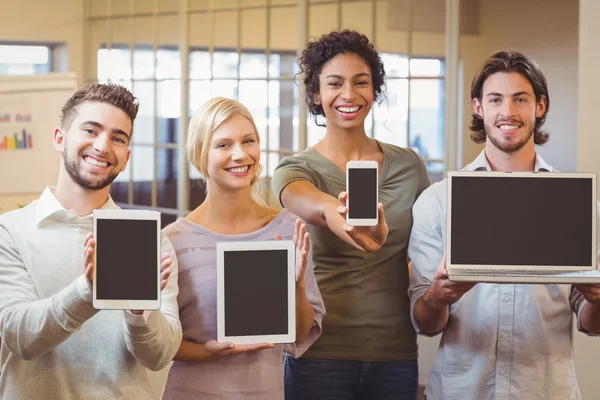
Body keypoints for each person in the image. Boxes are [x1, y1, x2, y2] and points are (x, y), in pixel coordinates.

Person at [408, 50, 600, 400]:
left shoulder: (580, 206)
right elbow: (424, 323)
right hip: (460, 390)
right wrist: (436, 297)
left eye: (520, 99)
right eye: (495, 99)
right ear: (478, 107)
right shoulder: (437, 202)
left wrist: (599, 299)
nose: (507, 112)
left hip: (546, 391)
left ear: (540, 106)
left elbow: (592, 323)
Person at [271, 30, 430, 399]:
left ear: (374, 91)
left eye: (361, 82)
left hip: (396, 354)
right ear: (316, 94)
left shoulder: (409, 165)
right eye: (334, 83)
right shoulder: (295, 169)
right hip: (320, 355)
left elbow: (425, 248)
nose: (348, 94)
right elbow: (319, 208)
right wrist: (355, 226)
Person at [0, 83, 182, 399]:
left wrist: (139, 314)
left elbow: (160, 356)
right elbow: (19, 336)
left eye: (117, 138)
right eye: (91, 130)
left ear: (125, 158)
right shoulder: (10, 230)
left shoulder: (150, 240)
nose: (102, 146)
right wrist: (89, 291)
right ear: (60, 138)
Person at [160, 97, 325, 400]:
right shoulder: (173, 240)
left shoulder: (289, 229)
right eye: (223, 145)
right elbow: (158, 342)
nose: (240, 154)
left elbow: (300, 335)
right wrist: (206, 352)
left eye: (248, 141)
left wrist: (297, 285)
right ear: (200, 155)